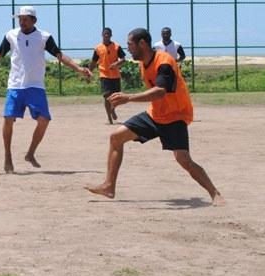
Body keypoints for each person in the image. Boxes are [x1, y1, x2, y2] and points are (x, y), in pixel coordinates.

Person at [85, 28, 224, 205]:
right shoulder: (143, 63)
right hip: (155, 114)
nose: (128, 49)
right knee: (116, 137)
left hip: (175, 116)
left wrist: (128, 97)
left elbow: (160, 91)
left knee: (183, 159)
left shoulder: (164, 62)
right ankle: (109, 186)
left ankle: (215, 193)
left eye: (130, 44)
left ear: (142, 43)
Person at [0, 6, 92, 173]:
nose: (22, 22)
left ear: (34, 20)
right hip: (15, 85)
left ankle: (30, 153)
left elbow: (59, 55)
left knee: (44, 120)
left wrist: (79, 69)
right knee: (8, 118)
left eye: (25, 19)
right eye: (20, 19)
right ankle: (8, 156)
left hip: (35, 86)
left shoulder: (44, 37)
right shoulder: (11, 35)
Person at [88, 27, 126, 124]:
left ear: (111, 35)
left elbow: (123, 59)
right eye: (105, 34)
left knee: (116, 97)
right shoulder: (98, 48)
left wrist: (116, 64)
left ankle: (112, 108)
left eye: (108, 34)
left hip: (115, 75)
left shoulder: (116, 46)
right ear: (102, 35)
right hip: (104, 75)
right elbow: (93, 62)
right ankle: (109, 117)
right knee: (106, 97)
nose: (106, 35)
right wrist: (89, 73)